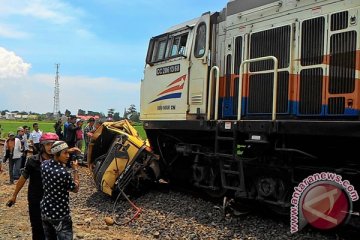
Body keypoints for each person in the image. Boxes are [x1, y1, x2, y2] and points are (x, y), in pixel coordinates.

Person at [7, 133, 59, 240]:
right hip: (36, 199)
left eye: (53, 144)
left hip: (53, 200)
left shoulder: (59, 161)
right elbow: (23, 178)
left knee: (53, 228)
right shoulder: (33, 161)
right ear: (42, 146)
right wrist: (14, 195)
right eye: (48, 144)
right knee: (37, 226)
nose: (50, 147)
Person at [41, 141, 80, 239]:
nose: (68, 156)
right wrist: (75, 170)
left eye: (68, 153)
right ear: (57, 154)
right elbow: (75, 189)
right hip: (60, 213)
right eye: (65, 153)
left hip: (46, 210)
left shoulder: (44, 164)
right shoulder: (63, 173)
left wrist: (68, 150)